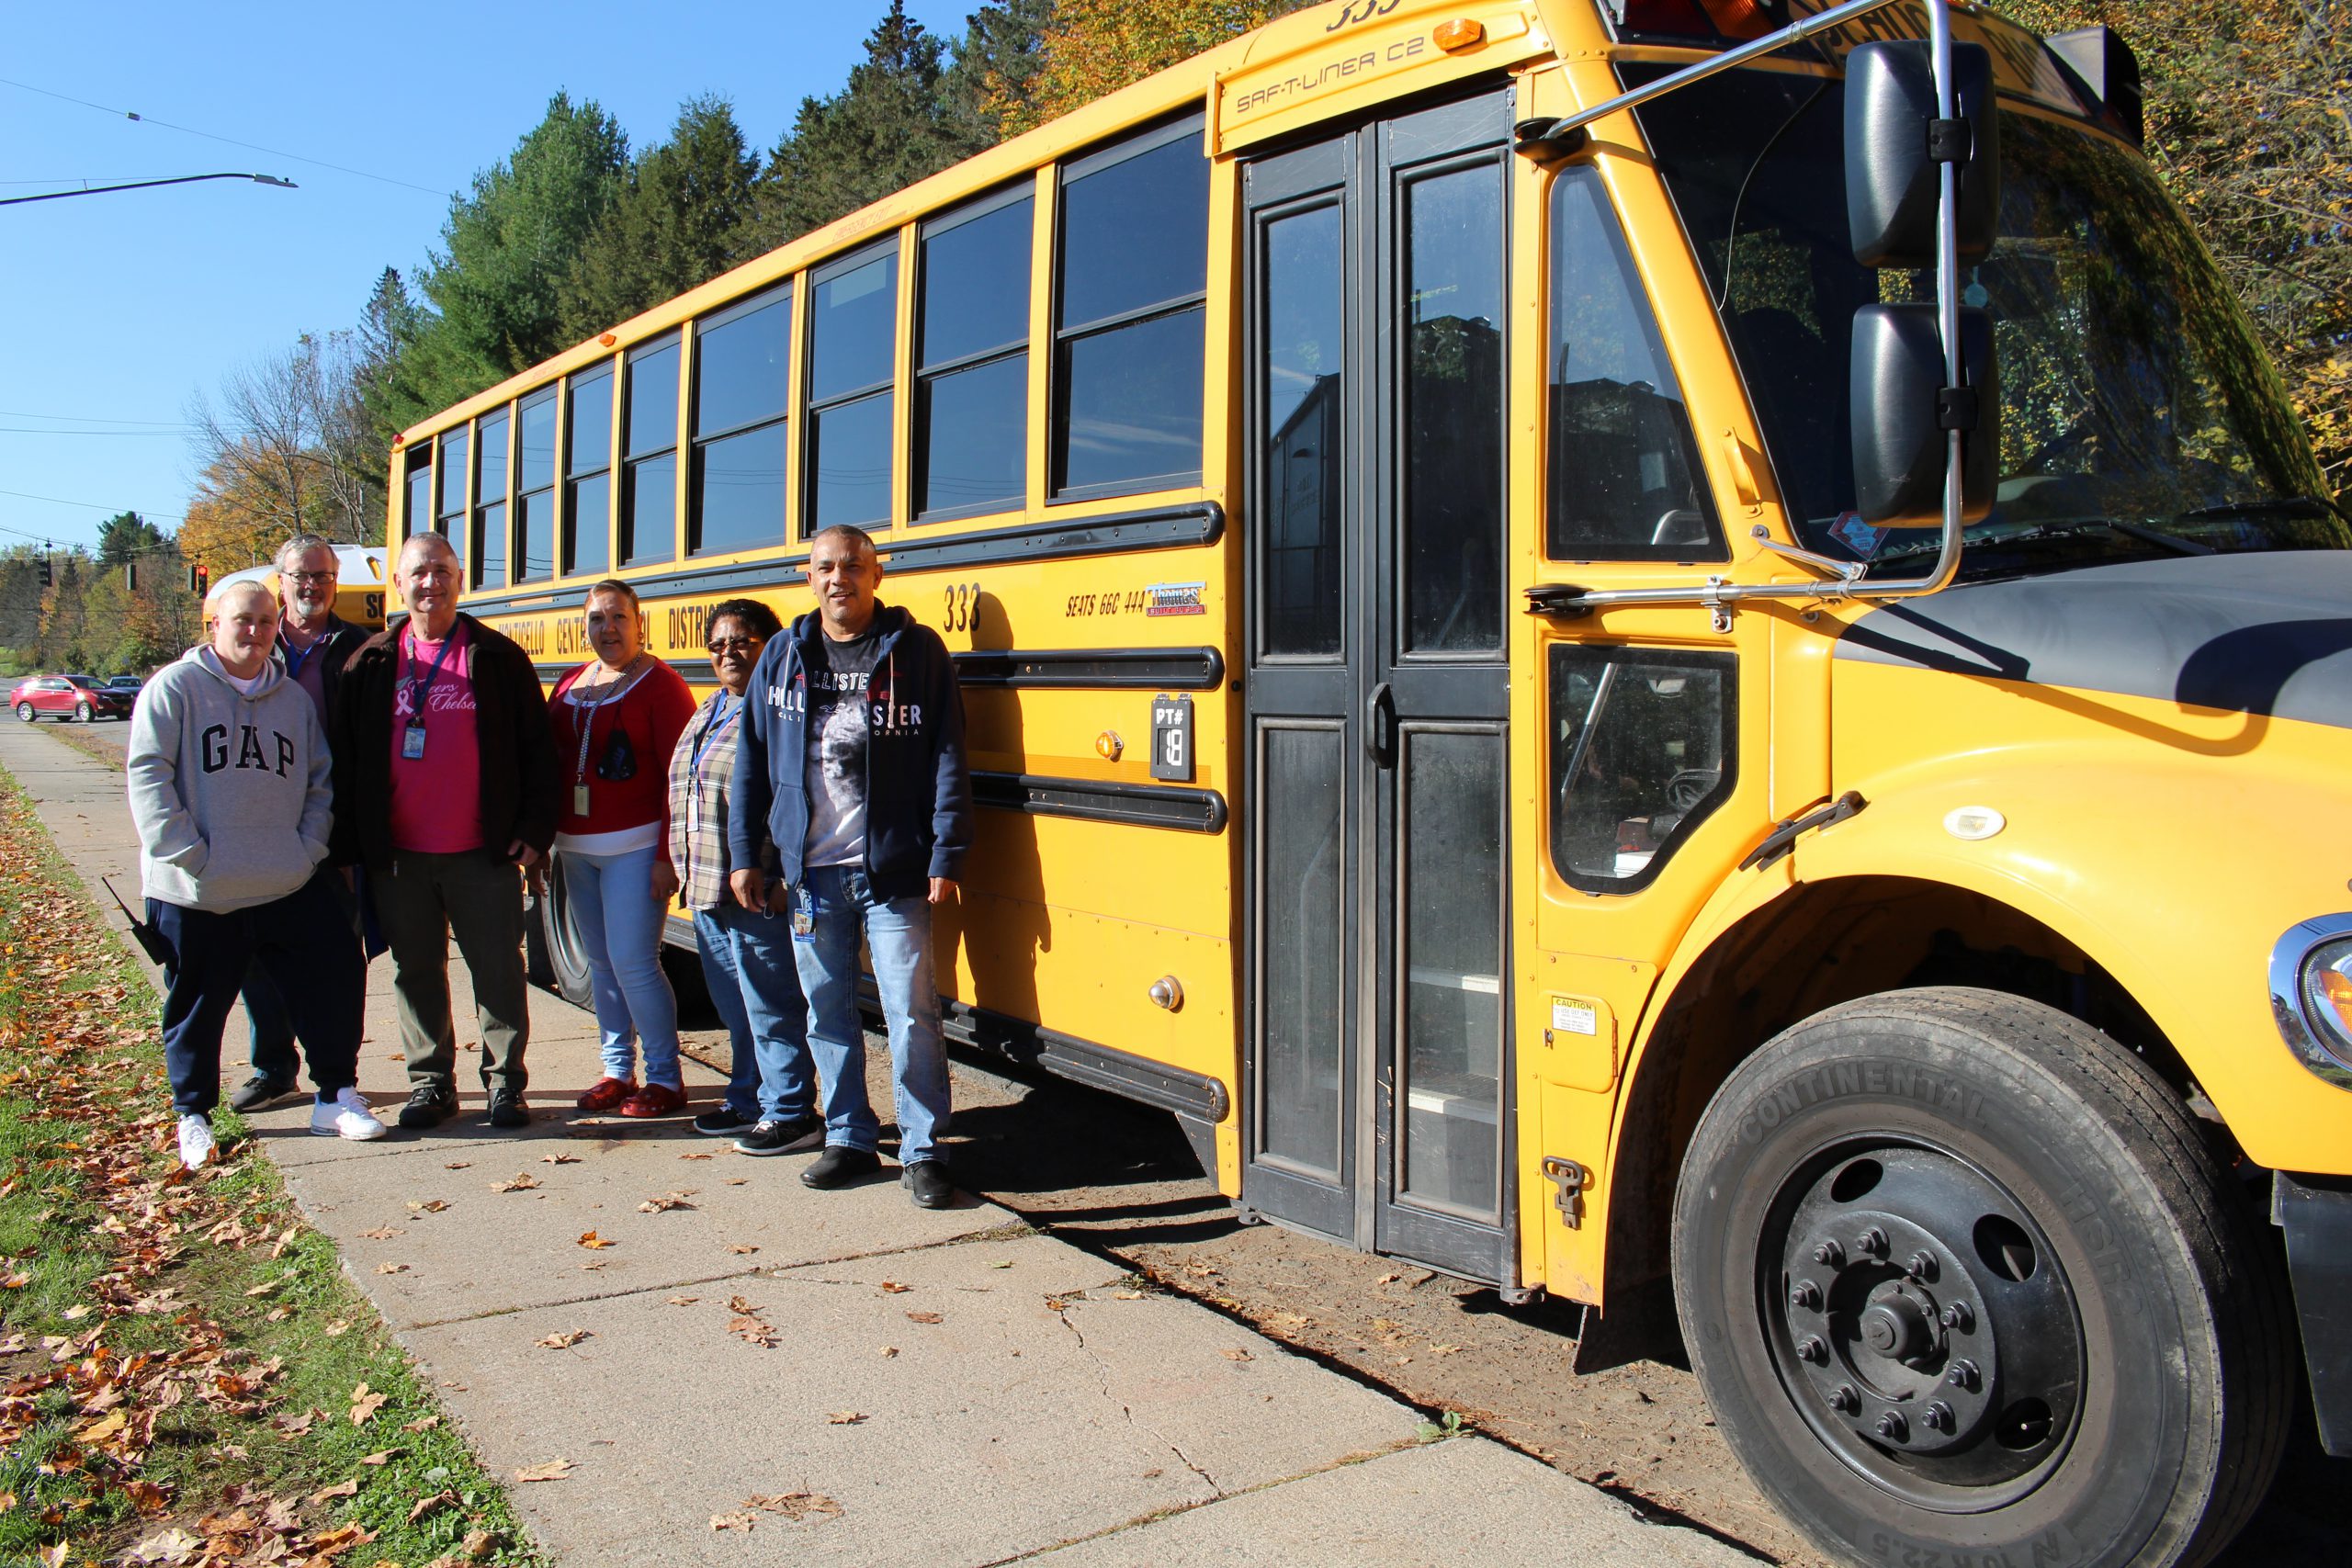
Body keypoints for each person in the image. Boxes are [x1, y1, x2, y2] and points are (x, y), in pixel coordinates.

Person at [729, 525, 972, 1209]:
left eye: (853, 566)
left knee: (911, 1011)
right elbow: (752, 761)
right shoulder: (782, 653)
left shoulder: (917, 651)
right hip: (810, 872)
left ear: (876, 575)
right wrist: (749, 853)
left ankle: (923, 1149)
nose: (840, 578)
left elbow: (949, 753)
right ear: (809, 578)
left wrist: (946, 848)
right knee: (825, 1011)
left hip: (893, 869)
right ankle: (850, 1137)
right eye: (825, 567)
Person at [128, 580, 384, 1170]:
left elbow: (321, 782)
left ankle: (334, 1096)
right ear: (213, 622)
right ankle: (192, 1114)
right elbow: (148, 778)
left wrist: (306, 849)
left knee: (334, 977)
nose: (256, 631)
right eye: (243, 619)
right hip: (198, 888)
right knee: (197, 1003)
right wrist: (190, 854)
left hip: (285, 879)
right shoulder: (175, 689)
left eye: (267, 621)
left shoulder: (291, 699)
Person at [333, 533, 559, 1131]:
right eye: (418, 573)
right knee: (415, 970)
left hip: (482, 853)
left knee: (498, 969)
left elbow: (539, 751)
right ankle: (430, 1082)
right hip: (400, 855)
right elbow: (347, 760)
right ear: (399, 585)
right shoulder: (372, 663)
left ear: (460, 580)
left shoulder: (498, 658)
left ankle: (505, 1082)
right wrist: (354, 847)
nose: (429, 583)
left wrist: (535, 828)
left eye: (441, 571)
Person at [666, 598, 821, 1153]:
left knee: (772, 1002)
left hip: (758, 889)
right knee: (735, 1003)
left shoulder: (782, 712)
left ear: (769, 647)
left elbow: (796, 800)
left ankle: (792, 1111)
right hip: (708, 887)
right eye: (717, 645)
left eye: (742, 642)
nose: (727, 653)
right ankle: (748, 1096)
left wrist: (781, 875)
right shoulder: (711, 708)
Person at [230, 535, 371, 1115]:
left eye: (323, 577)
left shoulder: (362, 648)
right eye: (300, 576)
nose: (311, 586)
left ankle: (337, 1078)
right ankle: (273, 1067)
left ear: (334, 583)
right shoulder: (254, 641)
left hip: (335, 832)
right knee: (257, 956)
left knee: (337, 961)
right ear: (279, 582)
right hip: (260, 827)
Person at [547, 580, 696, 1118]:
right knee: (601, 965)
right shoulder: (570, 684)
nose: (607, 629)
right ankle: (616, 1070)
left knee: (635, 963)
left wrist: (665, 856)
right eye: (596, 619)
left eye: (618, 618)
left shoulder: (662, 686)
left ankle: (664, 1077)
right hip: (574, 847)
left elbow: (679, 780)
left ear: (639, 623)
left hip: (634, 848)